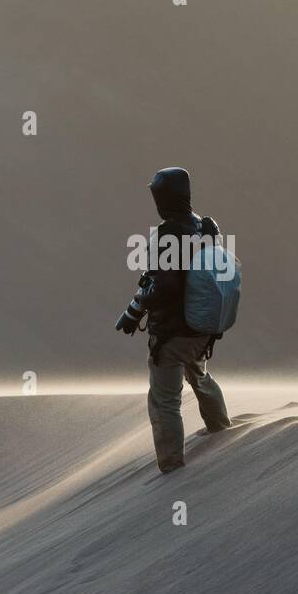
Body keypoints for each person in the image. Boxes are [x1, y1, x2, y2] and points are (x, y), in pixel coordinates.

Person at [115, 167, 232, 473]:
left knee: (164, 400)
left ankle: (172, 468)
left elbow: (163, 286)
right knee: (201, 377)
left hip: (172, 334)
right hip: (201, 329)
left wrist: (136, 310)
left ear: (164, 198)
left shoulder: (168, 234)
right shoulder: (205, 226)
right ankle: (221, 430)